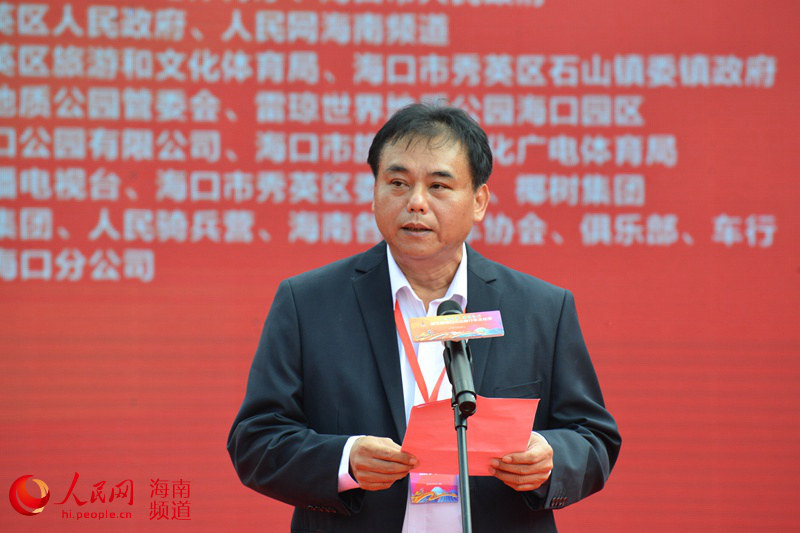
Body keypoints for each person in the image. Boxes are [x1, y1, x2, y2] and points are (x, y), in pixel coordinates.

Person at [227, 103, 621, 532]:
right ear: (374, 192)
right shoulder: (309, 303)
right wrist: (344, 460)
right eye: (397, 183)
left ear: (479, 201)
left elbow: (594, 437)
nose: (415, 202)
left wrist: (549, 456)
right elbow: (256, 439)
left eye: (438, 186)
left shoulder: (540, 308)